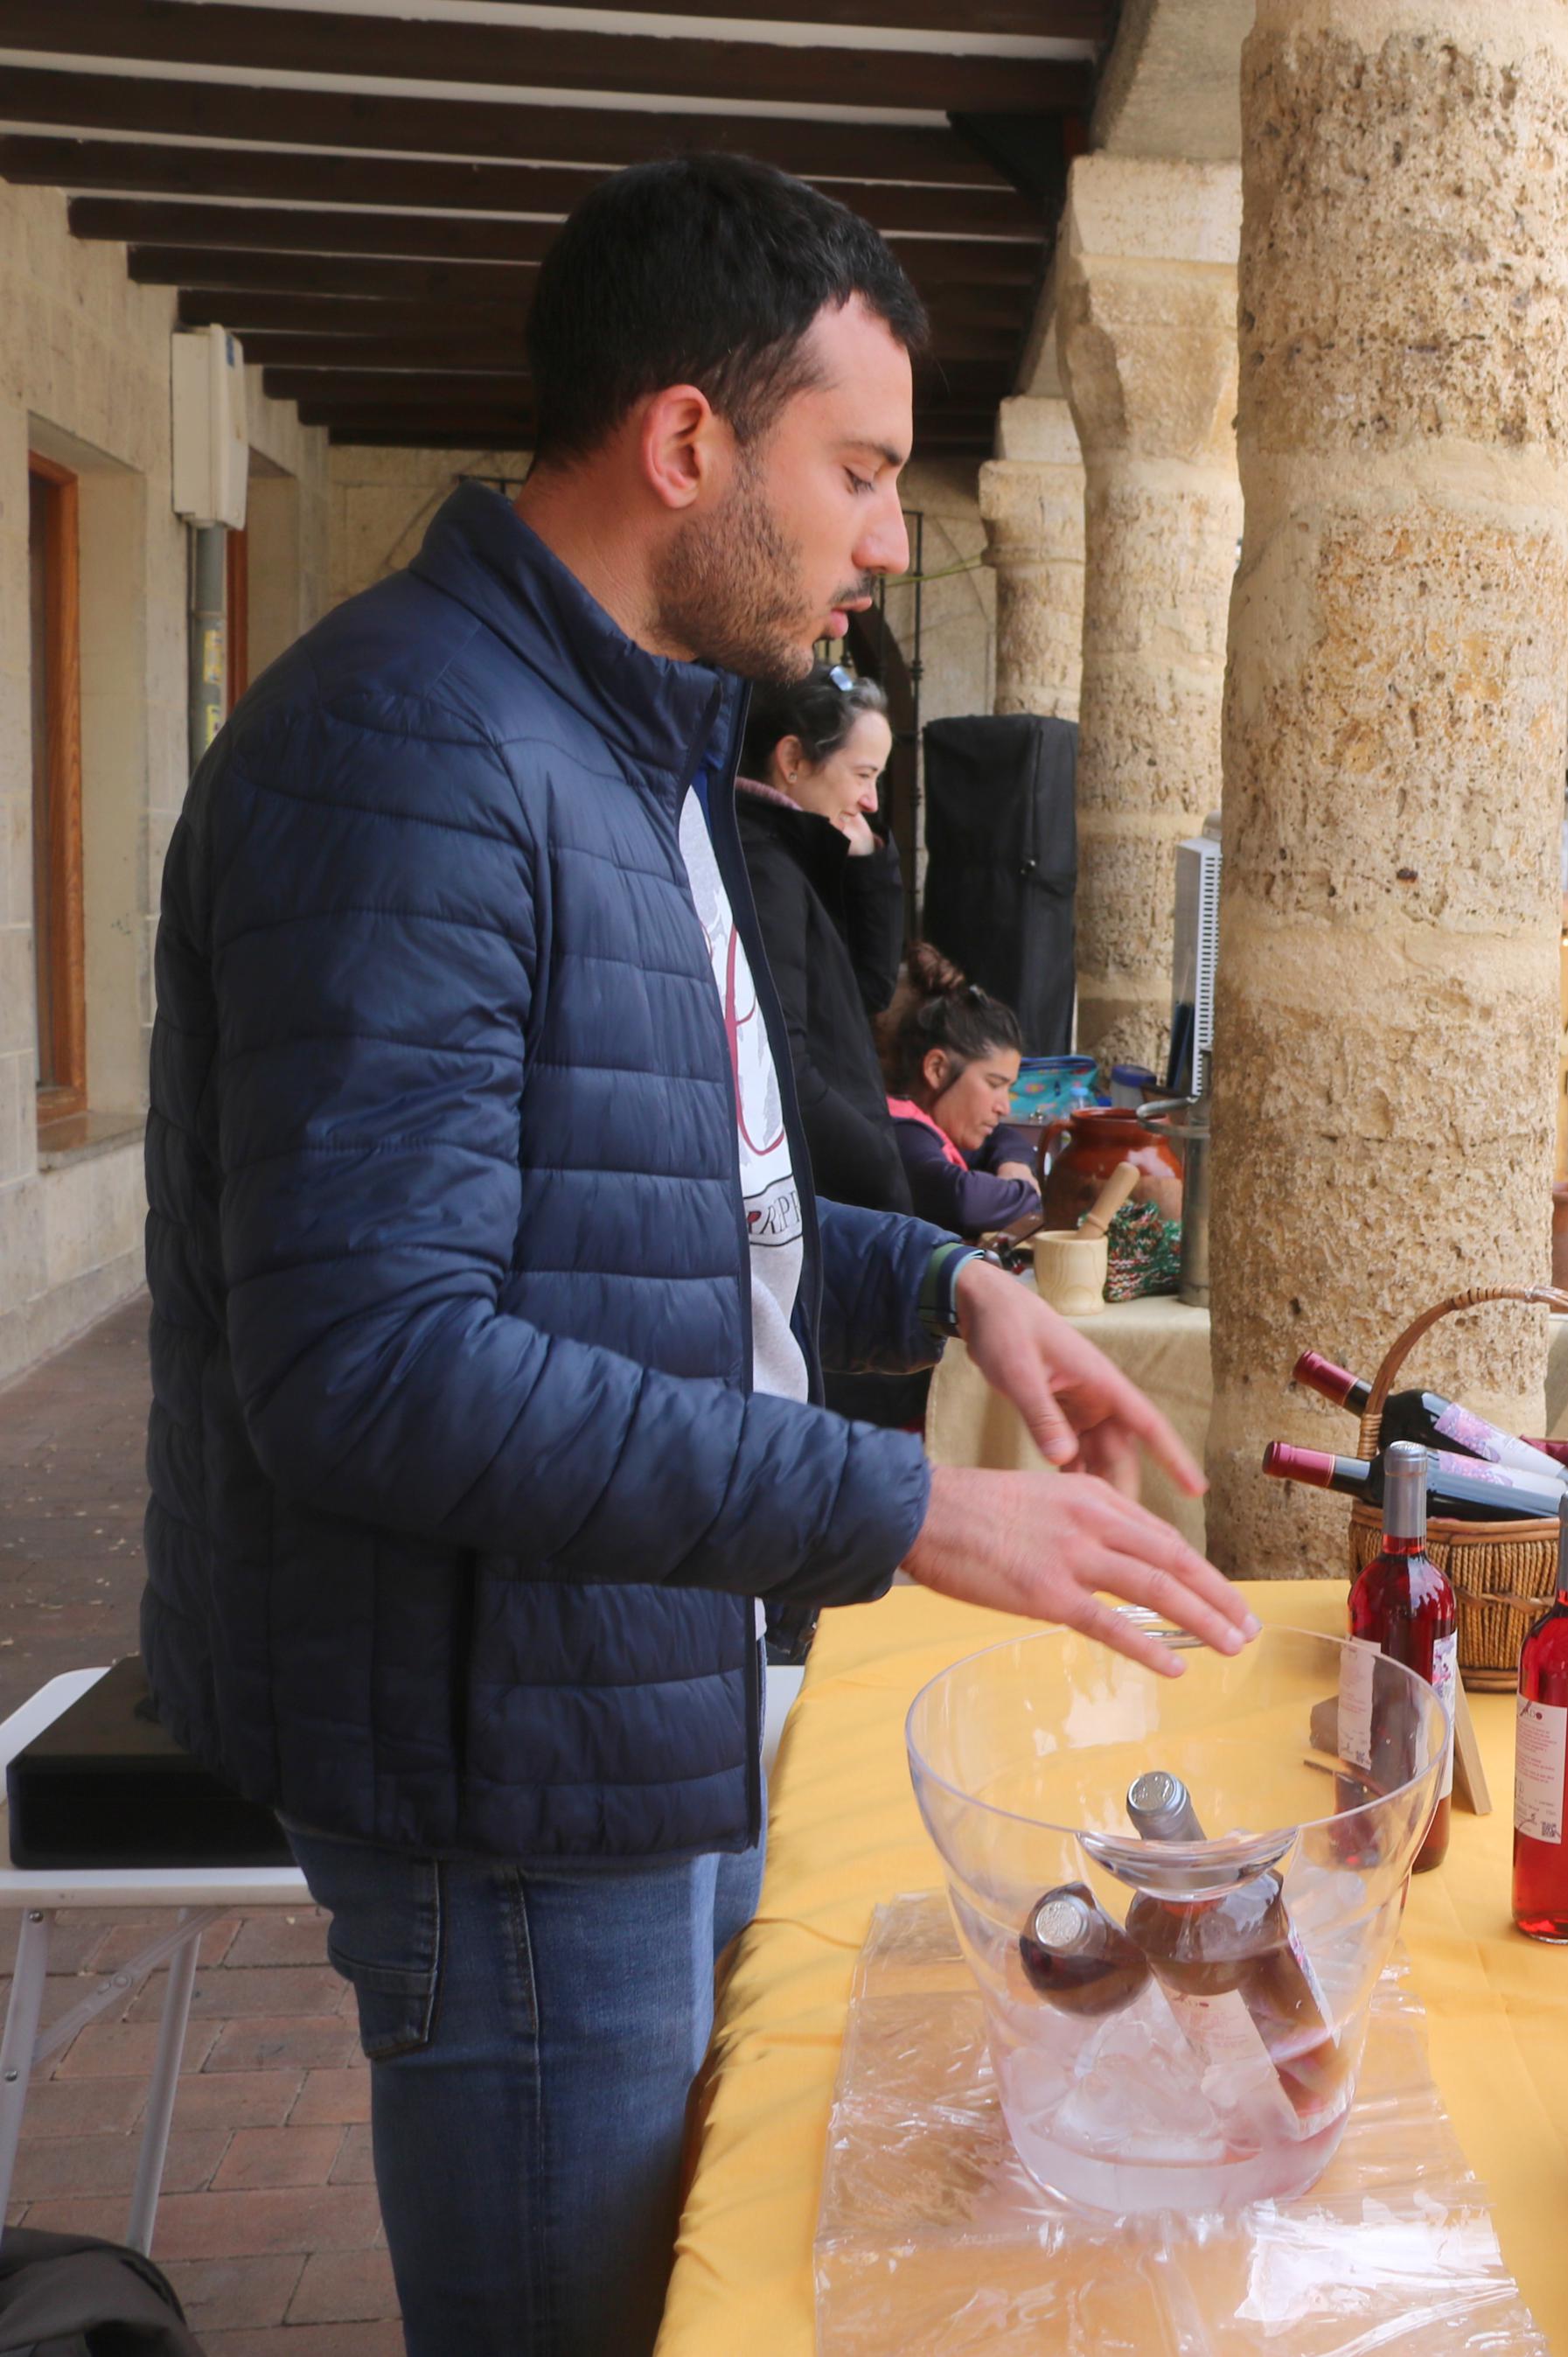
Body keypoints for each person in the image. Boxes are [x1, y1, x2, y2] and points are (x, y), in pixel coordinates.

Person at [139, 156, 1261, 2357]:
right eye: (850, 469)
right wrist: (906, 1504)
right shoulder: (414, 753)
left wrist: (951, 1288)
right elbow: (371, 1363)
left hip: (615, 1688)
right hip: (506, 1766)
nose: (882, 537)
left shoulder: (612, 734)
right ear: (682, 444)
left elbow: (675, 1218)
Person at [735, 663, 906, 1220]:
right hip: (827, 1197)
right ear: (791, 761)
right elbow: (781, 1065)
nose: (871, 800)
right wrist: (880, 1167)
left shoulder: (792, 858)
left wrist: (868, 870)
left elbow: (867, 993)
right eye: (862, 775)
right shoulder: (766, 870)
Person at [883, 943, 1048, 1239]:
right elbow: (963, 1200)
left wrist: (1014, 1164)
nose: (1004, 1107)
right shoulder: (902, 1132)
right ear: (937, 1069)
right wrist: (1024, 1193)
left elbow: (1003, 1138)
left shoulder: (939, 1125)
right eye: (994, 1084)